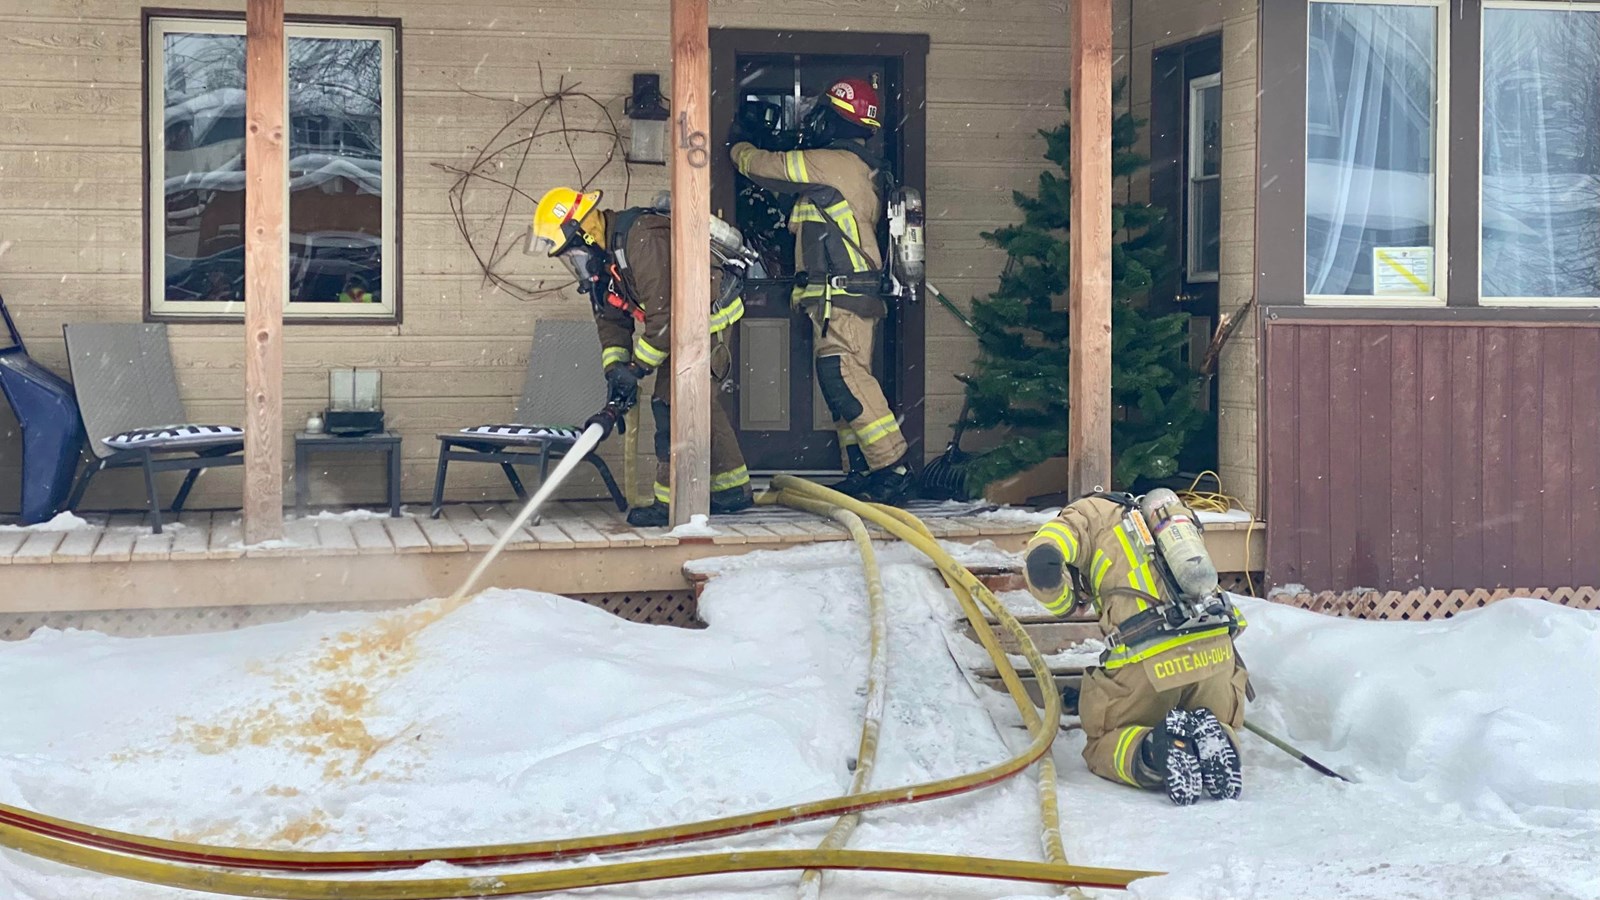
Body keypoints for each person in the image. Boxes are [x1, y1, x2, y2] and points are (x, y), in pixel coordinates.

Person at [728, 77, 914, 505]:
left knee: (845, 378)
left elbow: (768, 168)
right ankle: (863, 469)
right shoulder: (853, 165)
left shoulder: (834, 163)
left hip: (843, 297)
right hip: (837, 297)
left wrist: (739, 147)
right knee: (840, 385)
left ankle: (894, 468)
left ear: (833, 119)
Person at [529, 186, 752, 527]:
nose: (572, 260)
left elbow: (664, 313)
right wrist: (615, 370)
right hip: (673, 327)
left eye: (570, 250)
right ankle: (732, 490)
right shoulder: (605, 261)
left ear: (587, 229)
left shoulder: (642, 238)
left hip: (704, 321)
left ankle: (669, 502)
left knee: (671, 403)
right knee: (696, 402)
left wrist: (638, 368)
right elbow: (610, 319)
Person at [1021, 490, 1250, 805]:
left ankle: (1157, 750)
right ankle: (1219, 738)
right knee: (1211, 717)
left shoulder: (1085, 514)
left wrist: (1058, 593)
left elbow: (1044, 559)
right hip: (1218, 656)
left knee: (1102, 742)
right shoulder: (1166, 515)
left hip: (1150, 663)